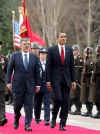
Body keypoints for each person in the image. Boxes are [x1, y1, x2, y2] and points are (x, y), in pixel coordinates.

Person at [7, 38, 40, 131]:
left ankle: (28, 124)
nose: (26, 46)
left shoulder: (34, 57)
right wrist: (8, 82)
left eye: (28, 44)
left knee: (29, 106)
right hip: (18, 85)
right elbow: (9, 70)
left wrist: (38, 84)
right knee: (17, 105)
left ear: (30, 46)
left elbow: (37, 72)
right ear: (21, 45)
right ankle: (16, 118)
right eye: (25, 44)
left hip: (30, 86)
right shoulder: (15, 56)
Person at [46, 32, 76, 131]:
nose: (64, 38)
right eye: (62, 37)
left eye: (65, 37)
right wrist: (48, 80)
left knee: (65, 102)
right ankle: (54, 116)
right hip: (55, 80)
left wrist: (73, 80)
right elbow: (48, 66)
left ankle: (63, 123)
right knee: (58, 99)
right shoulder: (51, 50)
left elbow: (72, 66)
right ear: (57, 38)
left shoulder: (69, 50)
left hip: (67, 80)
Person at [34, 48, 50, 125]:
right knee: (38, 102)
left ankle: (47, 119)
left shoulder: (49, 64)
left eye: (45, 54)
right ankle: (37, 117)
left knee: (47, 102)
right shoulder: (36, 63)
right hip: (38, 86)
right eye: (42, 54)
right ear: (39, 55)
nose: (43, 56)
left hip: (47, 86)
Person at [70, 45, 84, 115]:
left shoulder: (80, 59)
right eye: (73, 50)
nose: (74, 52)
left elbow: (81, 70)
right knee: (71, 95)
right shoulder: (70, 58)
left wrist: (78, 79)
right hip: (71, 80)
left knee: (78, 95)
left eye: (75, 50)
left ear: (78, 51)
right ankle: (68, 108)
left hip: (78, 80)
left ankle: (78, 109)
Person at [80, 47, 94, 116]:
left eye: (88, 53)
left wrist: (87, 73)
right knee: (85, 96)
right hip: (84, 80)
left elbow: (92, 71)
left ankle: (90, 111)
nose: (87, 54)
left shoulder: (91, 61)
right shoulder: (84, 60)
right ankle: (88, 111)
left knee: (89, 96)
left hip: (89, 80)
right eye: (85, 53)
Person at [91, 45, 100, 118]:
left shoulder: (98, 59)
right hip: (96, 79)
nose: (96, 51)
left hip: (98, 79)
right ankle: (98, 111)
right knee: (96, 97)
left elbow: (96, 70)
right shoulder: (96, 58)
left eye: (97, 50)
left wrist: (93, 76)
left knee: (97, 97)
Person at [0, 56, 8, 126]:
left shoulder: (4, 59)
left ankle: (2, 118)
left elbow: (7, 71)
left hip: (1, 84)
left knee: (2, 102)